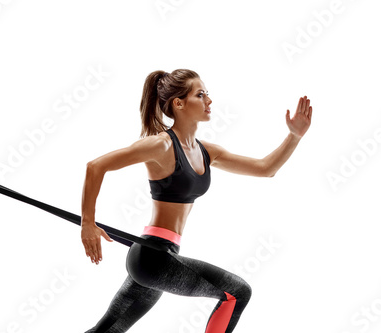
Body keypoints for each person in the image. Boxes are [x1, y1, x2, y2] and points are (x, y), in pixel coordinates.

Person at [81, 69, 313, 332]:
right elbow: (96, 166)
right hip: (153, 257)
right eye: (200, 94)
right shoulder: (161, 146)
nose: (209, 101)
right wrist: (87, 223)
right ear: (178, 104)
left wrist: (294, 136)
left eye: (207, 94)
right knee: (236, 293)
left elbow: (265, 168)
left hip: (161, 256)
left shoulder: (206, 151)